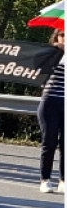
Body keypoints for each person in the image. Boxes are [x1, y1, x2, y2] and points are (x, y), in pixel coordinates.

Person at [37, 29, 64, 194]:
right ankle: (45, 179)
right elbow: (37, 71)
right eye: (63, 35)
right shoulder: (51, 54)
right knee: (49, 142)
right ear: (57, 37)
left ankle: (63, 180)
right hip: (50, 102)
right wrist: (56, 50)